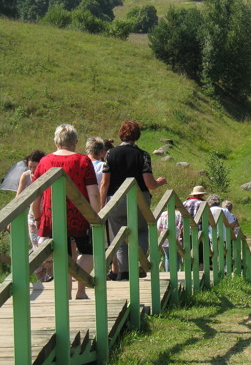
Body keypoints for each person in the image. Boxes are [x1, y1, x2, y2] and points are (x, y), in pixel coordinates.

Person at [31, 124, 100, 299]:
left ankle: (67, 296)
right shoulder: (83, 161)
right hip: (79, 216)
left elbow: (35, 195)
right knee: (92, 252)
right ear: (75, 141)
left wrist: (38, 217)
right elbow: (93, 193)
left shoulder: (44, 162)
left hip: (52, 216)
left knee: (64, 257)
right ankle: (81, 290)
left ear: (56, 141)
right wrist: (95, 217)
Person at [101, 120, 167, 281]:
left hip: (115, 200)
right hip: (139, 200)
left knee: (119, 236)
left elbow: (105, 183)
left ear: (121, 134)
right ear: (137, 136)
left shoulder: (110, 154)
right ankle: (139, 261)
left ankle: (124, 273)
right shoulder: (143, 155)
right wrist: (160, 182)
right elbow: (149, 184)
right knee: (142, 230)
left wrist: (103, 206)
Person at [15, 150, 51, 282]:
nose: (32, 169)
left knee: (45, 246)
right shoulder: (26, 176)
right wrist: (11, 219)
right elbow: (18, 198)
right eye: (30, 166)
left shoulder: (48, 175)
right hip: (32, 216)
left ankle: (51, 275)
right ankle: (42, 278)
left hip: (46, 215)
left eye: (35, 166)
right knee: (36, 247)